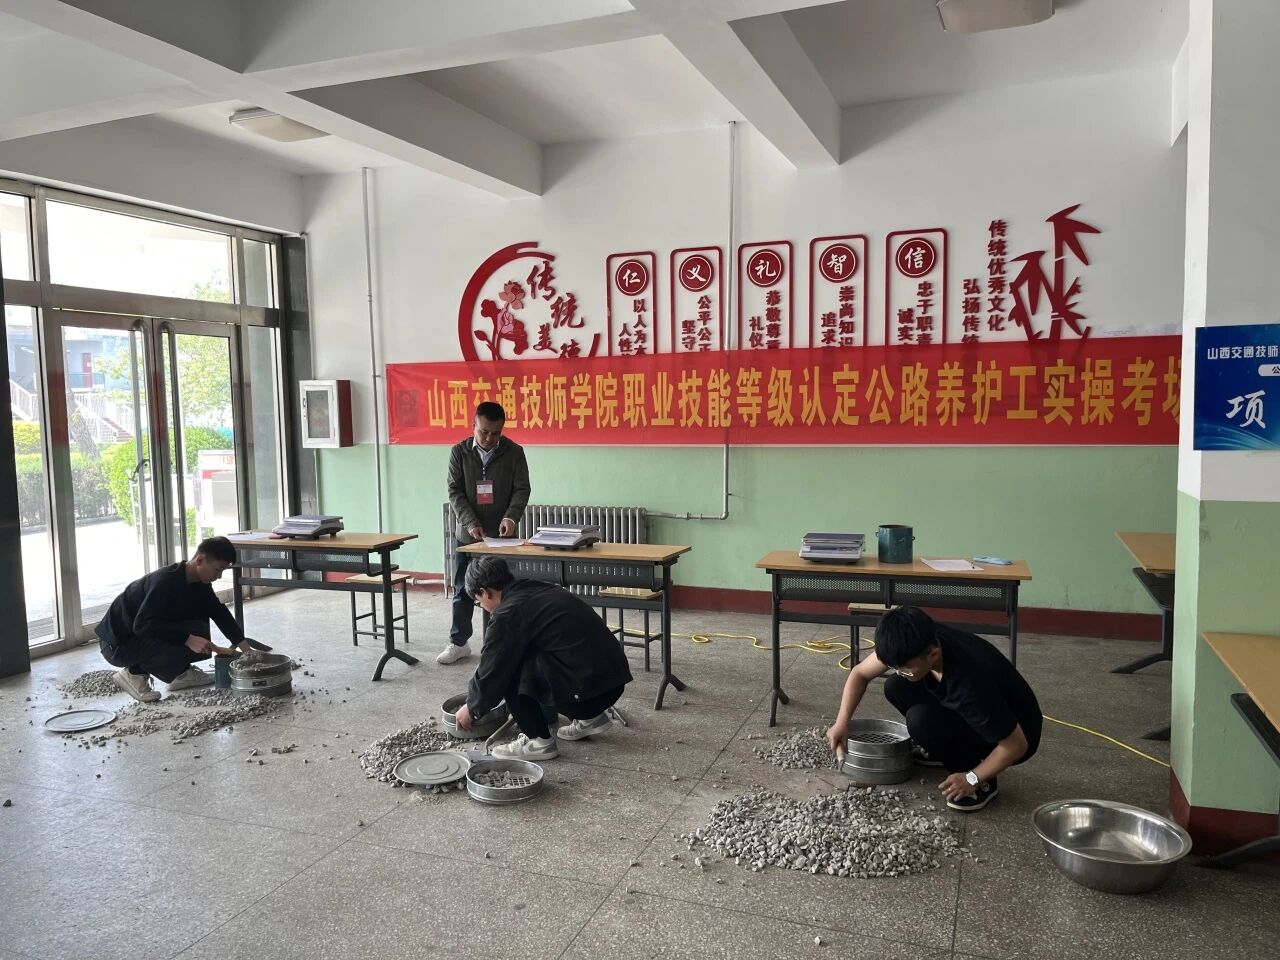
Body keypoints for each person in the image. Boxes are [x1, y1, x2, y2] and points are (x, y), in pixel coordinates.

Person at [825, 606, 1041, 811]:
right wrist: (842, 722)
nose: (899, 671)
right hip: (989, 713)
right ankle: (945, 749)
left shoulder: (969, 686)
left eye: (905, 668)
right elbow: (860, 673)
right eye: (894, 666)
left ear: (933, 655)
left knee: (920, 721)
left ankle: (982, 779)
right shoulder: (918, 637)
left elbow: (1016, 745)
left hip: (1017, 734)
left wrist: (972, 778)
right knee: (895, 685)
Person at [453, 556, 631, 760]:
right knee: (536, 651)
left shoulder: (508, 614)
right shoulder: (537, 587)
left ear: (485, 592)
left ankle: (539, 742)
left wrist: (471, 707)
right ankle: (592, 719)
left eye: (478, 602)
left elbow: (492, 670)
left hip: (590, 696)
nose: (482, 606)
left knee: (509, 669)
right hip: (614, 679)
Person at [96, 536, 259, 702]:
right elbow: (143, 625)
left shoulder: (199, 583)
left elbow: (218, 611)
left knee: (197, 624)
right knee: (179, 634)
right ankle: (134, 673)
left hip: (136, 636)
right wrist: (186, 639)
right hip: (118, 645)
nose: (219, 576)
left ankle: (180, 674)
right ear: (200, 560)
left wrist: (246, 649)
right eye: (218, 569)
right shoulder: (165, 581)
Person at [440, 401, 531, 666]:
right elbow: (454, 491)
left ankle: (497, 644)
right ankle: (459, 643)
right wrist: (470, 522)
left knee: (499, 592)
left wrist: (511, 517)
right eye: (483, 432)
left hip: (501, 537)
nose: (489, 438)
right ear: (473, 426)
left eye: (495, 433)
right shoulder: (459, 452)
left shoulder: (514, 452)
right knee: (462, 588)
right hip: (468, 536)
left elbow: (522, 489)